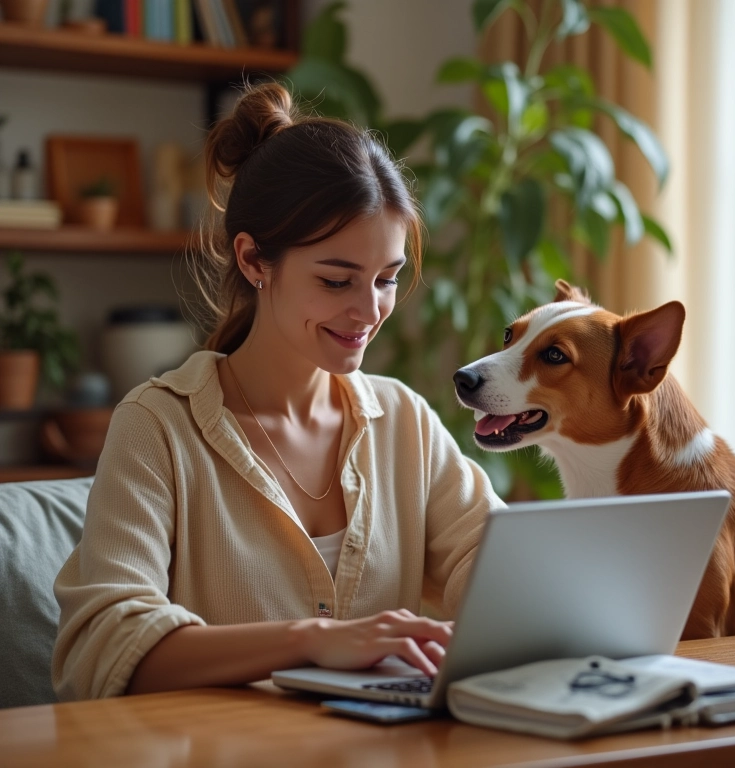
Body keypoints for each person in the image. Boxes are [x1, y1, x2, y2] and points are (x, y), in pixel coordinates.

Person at [52, 83, 505, 701]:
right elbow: (105, 646)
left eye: (387, 279)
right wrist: (311, 639)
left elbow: (495, 560)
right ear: (254, 261)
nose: (368, 310)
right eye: (337, 280)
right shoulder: (158, 427)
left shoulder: (404, 421)